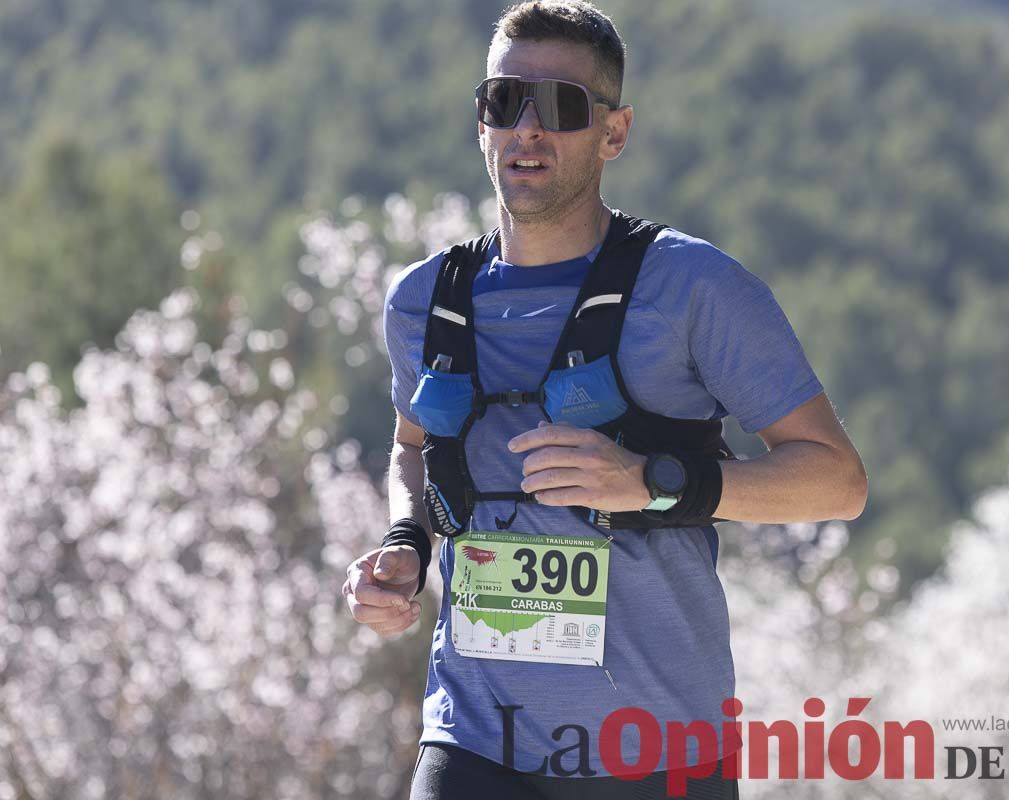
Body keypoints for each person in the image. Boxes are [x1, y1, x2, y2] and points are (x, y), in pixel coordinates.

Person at [342, 2, 867, 797]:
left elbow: (838, 480)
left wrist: (652, 483)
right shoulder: (424, 300)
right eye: (503, 102)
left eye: (560, 107)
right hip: (474, 736)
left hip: (655, 750)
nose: (527, 129)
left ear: (614, 134)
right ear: (480, 122)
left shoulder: (695, 289)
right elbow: (414, 447)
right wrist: (405, 544)